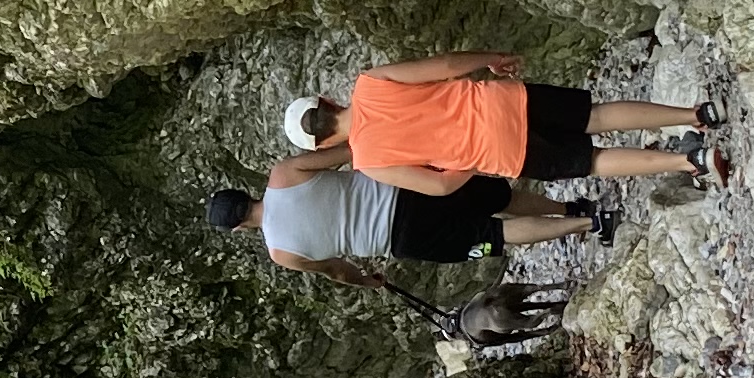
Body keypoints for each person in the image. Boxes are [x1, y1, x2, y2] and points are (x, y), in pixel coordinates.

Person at [282, 53, 705, 197]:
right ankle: (695, 115)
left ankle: (689, 161)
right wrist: (489, 59)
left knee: (594, 161)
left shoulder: (370, 162)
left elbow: (441, 186)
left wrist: (476, 152)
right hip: (504, 101)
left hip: (504, 152)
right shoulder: (371, 82)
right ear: (327, 100)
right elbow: (446, 66)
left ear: (320, 147)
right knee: (596, 115)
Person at [205, 143, 587, 285]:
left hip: (400, 239)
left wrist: (367, 281)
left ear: (238, 228)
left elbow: (336, 269)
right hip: (404, 187)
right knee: (498, 197)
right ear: (245, 193)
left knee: (493, 235)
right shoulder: (284, 174)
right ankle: (572, 206)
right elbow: (351, 152)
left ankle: (585, 224)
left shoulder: (282, 254)